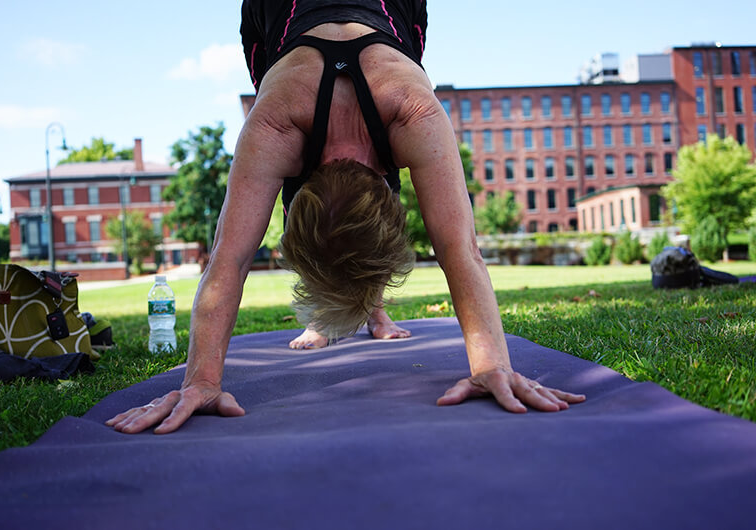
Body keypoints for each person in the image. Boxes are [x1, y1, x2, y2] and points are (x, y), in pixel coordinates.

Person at [106, 0, 585, 435]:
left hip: (295, 23)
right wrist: (489, 365)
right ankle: (362, 303)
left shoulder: (296, 119)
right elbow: (460, 249)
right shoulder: (392, 112)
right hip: (340, 24)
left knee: (338, 227)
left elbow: (227, 261)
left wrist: (203, 381)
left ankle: (364, 304)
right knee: (338, 227)